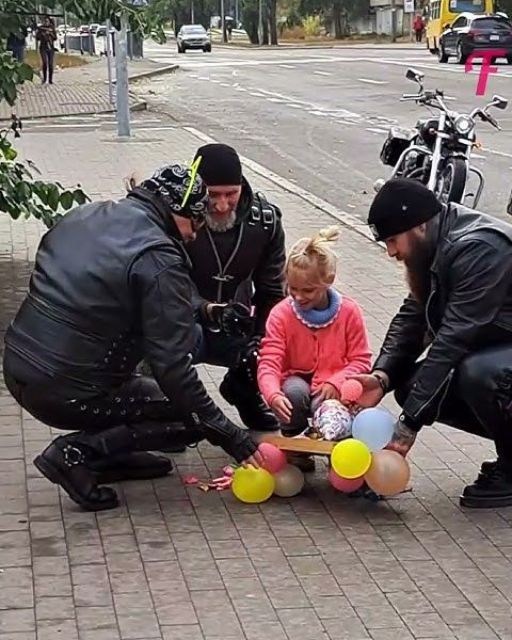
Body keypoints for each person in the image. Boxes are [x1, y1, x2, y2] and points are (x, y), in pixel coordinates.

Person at [3, 165, 262, 512]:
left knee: (160, 399)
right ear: (178, 211)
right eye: (197, 222)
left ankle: (110, 458)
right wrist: (230, 434)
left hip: (19, 366)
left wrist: (210, 310)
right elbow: (172, 367)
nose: (194, 234)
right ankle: (74, 454)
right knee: (190, 415)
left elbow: (134, 285)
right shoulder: (159, 256)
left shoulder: (86, 215)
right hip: (70, 391)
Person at [351, 178, 512, 509]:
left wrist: (408, 425)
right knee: (411, 388)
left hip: (496, 359)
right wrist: (382, 377)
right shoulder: (434, 247)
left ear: (419, 226)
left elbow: (453, 339)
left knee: (477, 373)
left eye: (393, 240)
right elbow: (414, 318)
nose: (391, 252)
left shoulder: (480, 249)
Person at [131, 144, 286, 434]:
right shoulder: (175, 219)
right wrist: (208, 309)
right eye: (213, 195)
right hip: (183, 321)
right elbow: (162, 283)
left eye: (231, 194)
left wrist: (262, 340)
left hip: (236, 325)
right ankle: (165, 407)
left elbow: (273, 292)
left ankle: (243, 390)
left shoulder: (266, 223)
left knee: (281, 340)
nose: (222, 205)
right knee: (152, 342)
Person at [258, 226, 372, 469]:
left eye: (308, 290)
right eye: (292, 288)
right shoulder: (281, 314)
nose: (298, 297)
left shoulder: (349, 312)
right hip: (295, 381)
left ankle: (338, 450)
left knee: (335, 405)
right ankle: (294, 444)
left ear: (328, 281)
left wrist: (337, 382)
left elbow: (361, 360)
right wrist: (272, 394)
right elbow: (269, 361)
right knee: (293, 392)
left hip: (334, 385)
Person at [36, 16, 57, 84]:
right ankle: (44, 79)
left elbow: (55, 38)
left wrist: (50, 34)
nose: (46, 22)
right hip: (43, 48)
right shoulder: (41, 28)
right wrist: (42, 34)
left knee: (50, 64)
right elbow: (37, 38)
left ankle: (50, 80)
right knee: (45, 63)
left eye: (47, 21)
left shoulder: (52, 28)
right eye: (45, 21)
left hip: (50, 48)